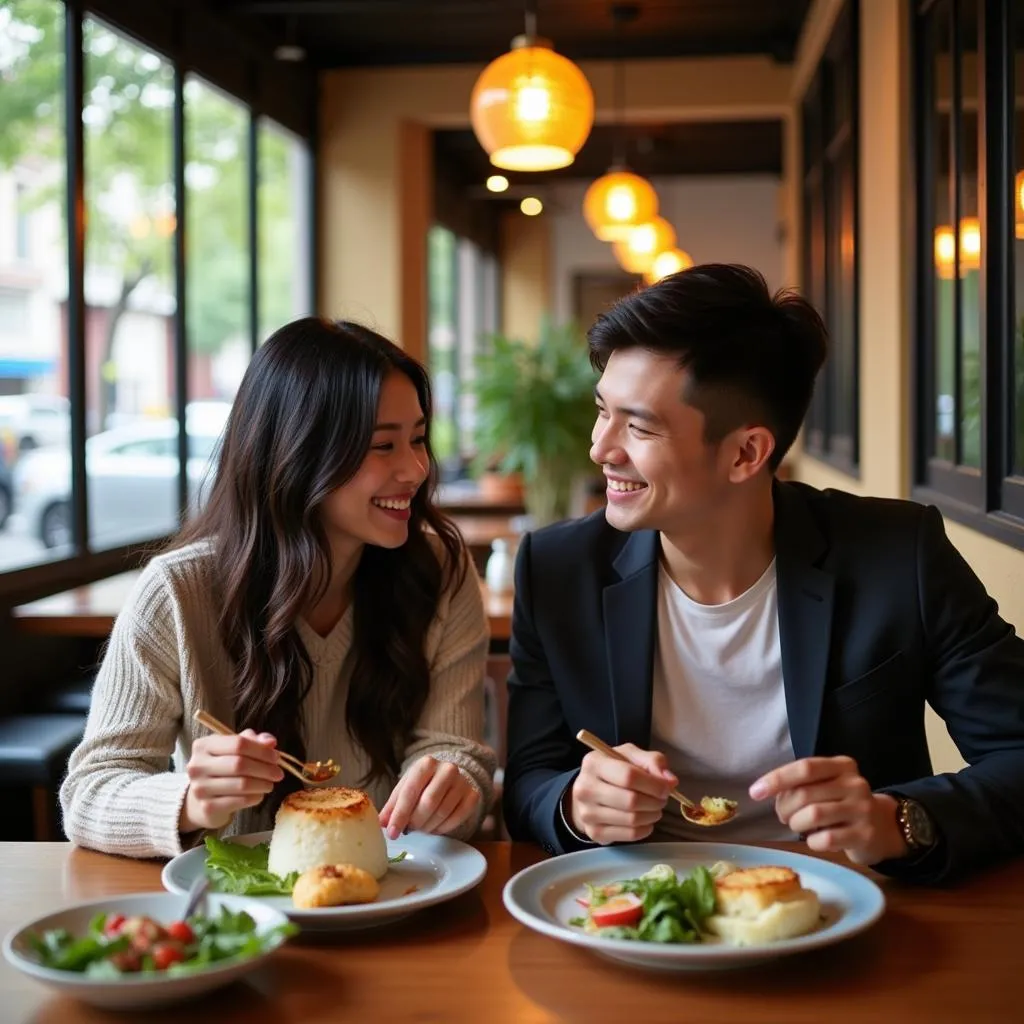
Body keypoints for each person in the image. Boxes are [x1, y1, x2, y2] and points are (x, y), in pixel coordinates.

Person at [503, 263, 1024, 883]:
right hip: (638, 910)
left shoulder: (896, 555)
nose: (600, 447)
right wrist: (574, 805)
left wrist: (899, 820)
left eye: (638, 426)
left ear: (746, 452)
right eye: (602, 411)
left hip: (843, 912)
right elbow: (528, 784)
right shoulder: (558, 570)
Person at [62, 318, 496, 858]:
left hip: (397, 887)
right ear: (300, 452)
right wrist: (192, 801)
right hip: (235, 911)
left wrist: (454, 783)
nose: (415, 468)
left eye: (418, 439)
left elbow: (455, 749)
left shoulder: (440, 573)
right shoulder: (177, 592)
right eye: (383, 445)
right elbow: (90, 792)